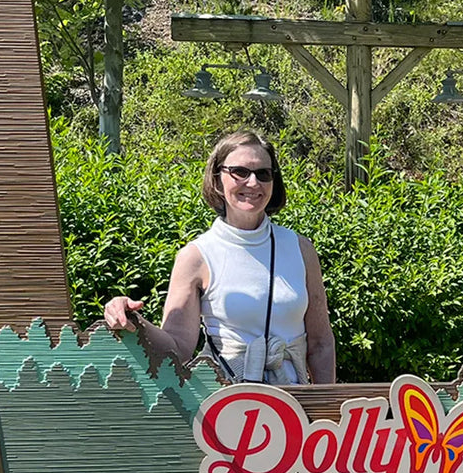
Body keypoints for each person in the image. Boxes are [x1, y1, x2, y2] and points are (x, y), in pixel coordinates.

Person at [103, 131, 336, 384]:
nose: (253, 182)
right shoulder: (196, 256)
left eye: (263, 174)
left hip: (295, 402)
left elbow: (321, 343)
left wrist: (327, 405)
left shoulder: (301, 249)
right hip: (224, 402)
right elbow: (178, 348)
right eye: (240, 172)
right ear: (217, 178)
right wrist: (133, 321)